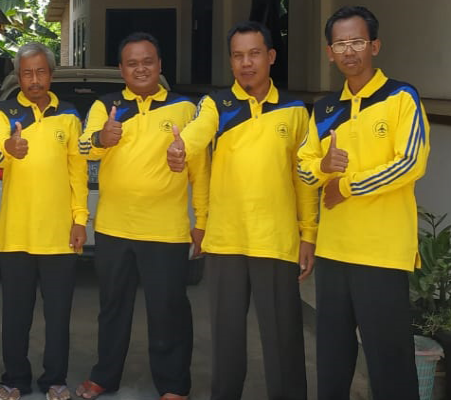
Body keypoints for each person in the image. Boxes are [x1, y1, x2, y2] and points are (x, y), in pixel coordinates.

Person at [166, 21, 318, 400]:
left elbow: (303, 178)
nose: (246, 63)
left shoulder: (295, 111)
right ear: (231, 61)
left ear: (271, 56)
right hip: (226, 241)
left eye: (254, 54)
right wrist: (181, 147)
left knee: (283, 341)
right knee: (227, 342)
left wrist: (308, 235)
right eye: (237, 56)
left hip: (276, 240)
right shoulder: (216, 105)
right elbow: (198, 133)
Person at [297, 6, 429, 399]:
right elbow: (303, 169)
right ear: (329, 52)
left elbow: (411, 162)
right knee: (333, 358)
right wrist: (323, 167)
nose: (349, 51)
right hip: (334, 251)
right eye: (340, 44)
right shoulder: (325, 109)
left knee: (389, 360)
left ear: (374, 45)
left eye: (357, 41)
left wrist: (347, 186)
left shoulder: (401, 97)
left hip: (382, 252)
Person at [75, 32, 207, 400]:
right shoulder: (106, 106)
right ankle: (104, 376)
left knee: (169, 310)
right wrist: (102, 138)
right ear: (121, 69)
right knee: (112, 308)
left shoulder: (184, 108)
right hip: (114, 227)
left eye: (148, 61)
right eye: (132, 63)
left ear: (160, 65)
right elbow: (84, 147)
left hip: (165, 230)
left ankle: (174, 385)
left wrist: (202, 220)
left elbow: (201, 169)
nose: (141, 69)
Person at [0, 42, 88, 400]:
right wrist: (8, 150)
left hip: (59, 234)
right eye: (27, 73)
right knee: (16, 315)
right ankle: (14, 378)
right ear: (18, 76)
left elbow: (78, 171)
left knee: (58, 315)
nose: (34, 80)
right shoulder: (5, 112)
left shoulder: (69, 115)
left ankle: (55, 379)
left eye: (40, 72)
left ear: (51, 74)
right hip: (16, 233)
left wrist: (80, 219)